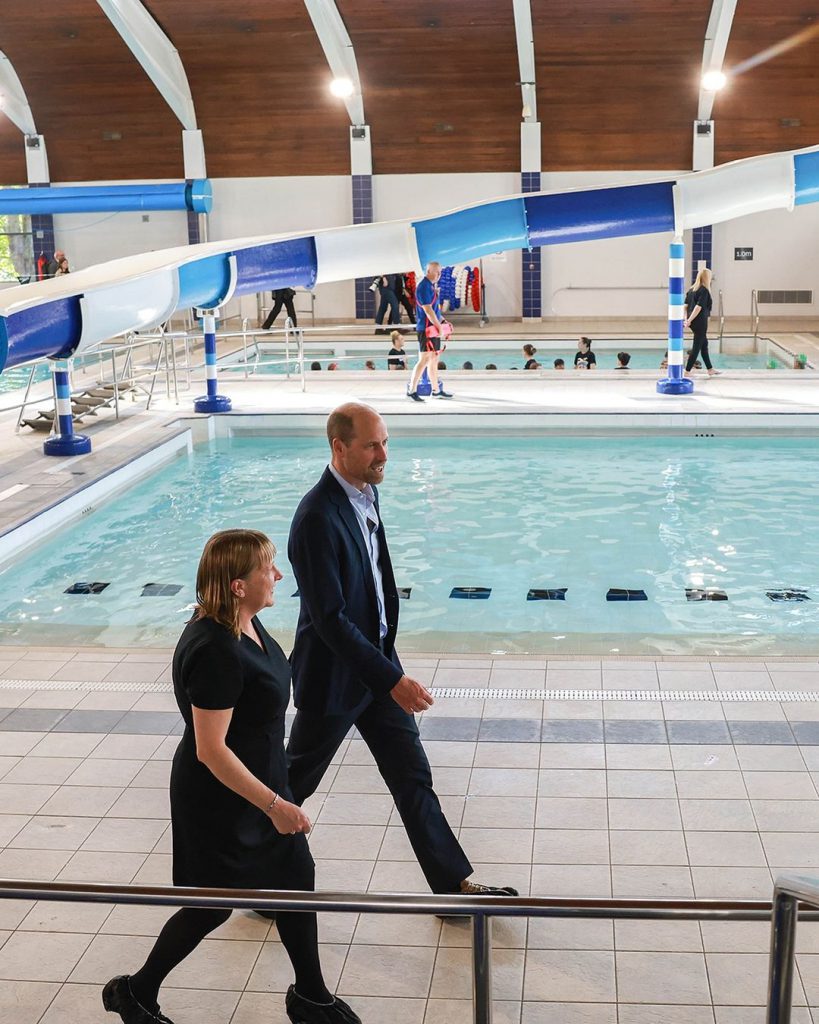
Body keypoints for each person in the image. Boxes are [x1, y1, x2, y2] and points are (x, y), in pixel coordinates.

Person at [102, 530, 361, 1024]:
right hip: (221, 797)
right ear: (238, 585)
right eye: (268, 568)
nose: (278, 575)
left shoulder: (246, 623)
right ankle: (135, 991)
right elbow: (212, 750)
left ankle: (311, 996)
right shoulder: (215, 649)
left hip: (262, 779)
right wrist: (275, 806)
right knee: (212, 904)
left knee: (295, 879)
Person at [286, 403, 518, 904]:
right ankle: (249, 880)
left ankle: (452, 888)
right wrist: (390, 678)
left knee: (413, 778)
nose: (383, 455)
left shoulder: (365, 496)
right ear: (339, 447)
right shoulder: (316, 517)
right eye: (372, 445)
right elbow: (329, 619)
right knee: (291, 787)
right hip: (334, 678)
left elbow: (372, 584)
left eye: (385, 442)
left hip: (377, 669)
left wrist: (387, 667)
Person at [407, 261, 453, 402]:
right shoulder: (423, 287)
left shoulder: (431, 286)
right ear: (428, 272)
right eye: (436, 272)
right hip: (426, 329)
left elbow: (435, 310)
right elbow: (428, 310)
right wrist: (439, 327)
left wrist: (443, 322)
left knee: (434, 359)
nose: (439, 274)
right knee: (424, 359)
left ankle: (436, 390)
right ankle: (412, 390)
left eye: (440, 272)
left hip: (433, 329)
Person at [684, 268, 718, 376]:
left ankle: (710, 369)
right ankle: (687, 371)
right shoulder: (704, 290)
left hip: (693, 322)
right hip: (700, 322)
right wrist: (689, 320)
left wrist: (686, 319)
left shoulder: (691, 290)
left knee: (704, 344)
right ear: (707, 278)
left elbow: (685, 306)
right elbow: (698, 307)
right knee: (696, 347)